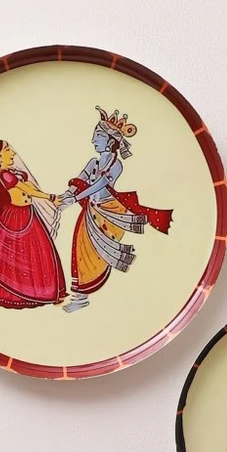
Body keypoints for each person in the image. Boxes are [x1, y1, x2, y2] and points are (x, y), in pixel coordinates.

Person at [58, 107, 172, 312]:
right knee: (80, 250)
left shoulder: (116, 164)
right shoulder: (93, 162)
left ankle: (86, 295)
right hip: (91, 211)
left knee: (99, 252)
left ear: (111, 141)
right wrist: (66, 195)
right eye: (95, 136)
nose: (93, 140)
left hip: (110, 213)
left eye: (98, 136)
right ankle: (80, 297)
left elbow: (99, 184)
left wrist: (75, 198)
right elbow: (80, 180)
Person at [0, 140, 66, 309]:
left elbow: (30, 187)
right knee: (11, 255)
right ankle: (20, 292)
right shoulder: (4, 175)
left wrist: (44, 194)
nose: (13, 153)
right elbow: (27, 190)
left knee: (39, 253)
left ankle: (43, 291)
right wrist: (50, 197)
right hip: (14, 218)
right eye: (8, 150)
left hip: (28, 214)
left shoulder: (13, 173)